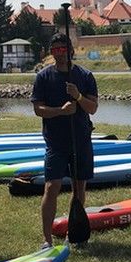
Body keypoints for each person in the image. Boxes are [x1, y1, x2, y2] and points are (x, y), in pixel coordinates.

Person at [31, 33, 98, 248]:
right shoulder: (43, 77)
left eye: (63, 49)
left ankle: (74, 231)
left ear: (71, 50)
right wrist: (60, 111)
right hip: (56, 143)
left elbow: (93, 108)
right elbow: (38, 109)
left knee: (79, 189)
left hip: (80, 140)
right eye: (55, 50)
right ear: (51, 53)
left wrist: (78, 97)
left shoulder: (85, 76)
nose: (60, 53)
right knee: (52, 187)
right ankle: (47, 239)